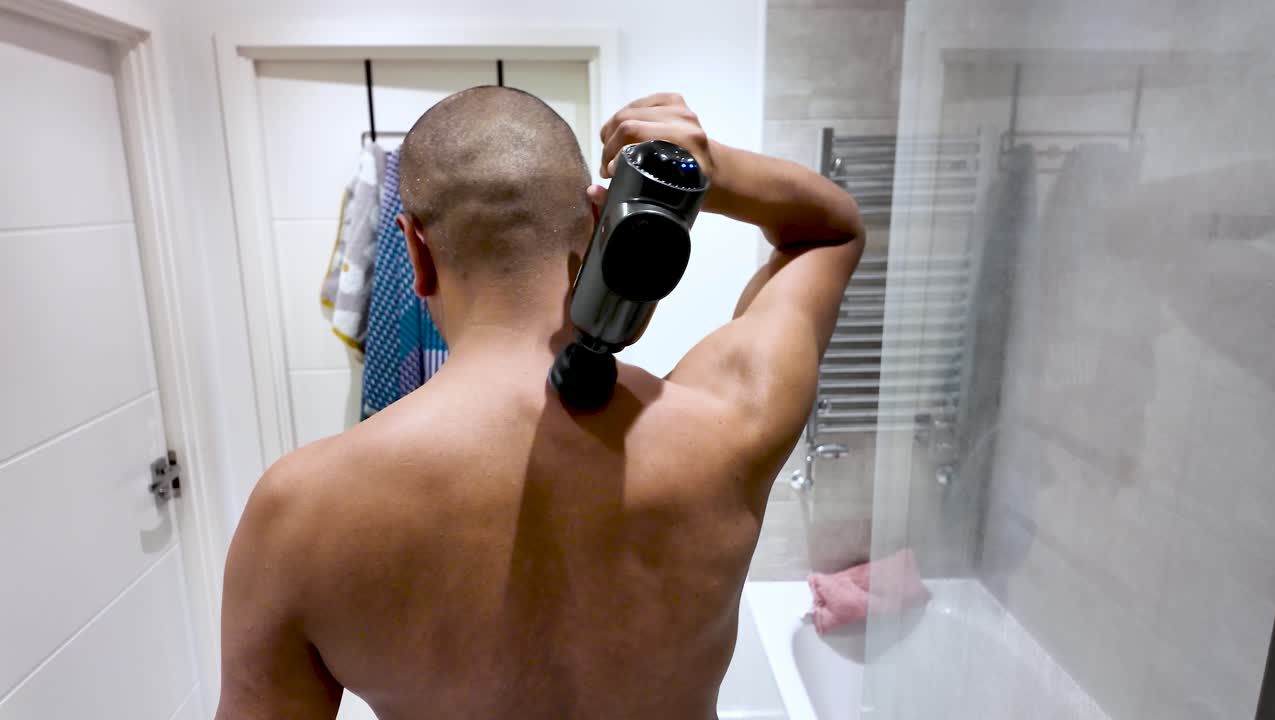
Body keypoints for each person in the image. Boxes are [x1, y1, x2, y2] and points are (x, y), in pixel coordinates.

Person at [216, 87, 863, 720]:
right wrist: (710, 174)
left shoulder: (297, 514)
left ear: (414, 248)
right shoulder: (730, 421)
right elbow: (831, 232)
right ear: (600, 225)